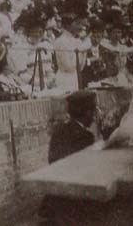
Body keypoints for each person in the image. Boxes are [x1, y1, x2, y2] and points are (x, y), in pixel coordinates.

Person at [40, 91, 97, 225]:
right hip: (75, 199)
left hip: (54, 196)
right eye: (93, 112)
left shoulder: (59, 131)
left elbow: (52, 160)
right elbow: (89, 173)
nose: (94, 117)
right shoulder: (86, 137)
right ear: (87, 113)